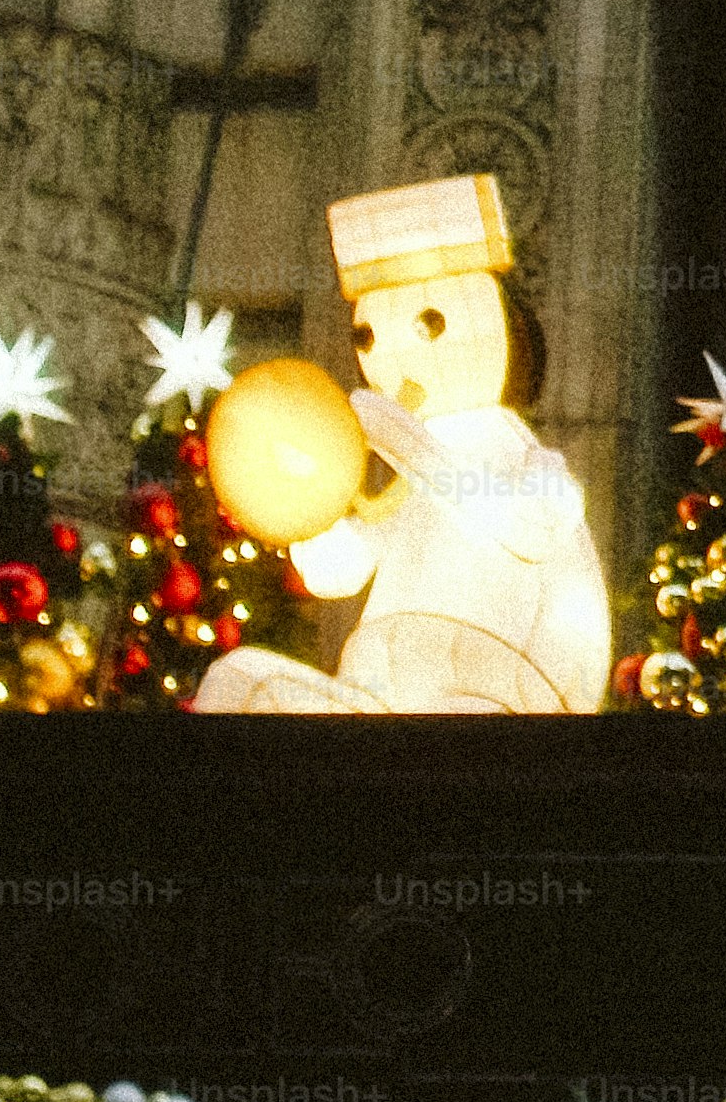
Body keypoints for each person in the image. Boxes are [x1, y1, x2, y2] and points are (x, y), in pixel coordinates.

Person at [196, 174, 611, 714]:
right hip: (381, 694)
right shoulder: (402, 480)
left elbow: (526, 528)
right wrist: (310, 503)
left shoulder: (523, 457)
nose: (391, 356)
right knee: (238, 681)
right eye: (366, 336)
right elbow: (335, 574)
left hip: (501, 697)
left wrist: (407, 445)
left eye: (429, 322)